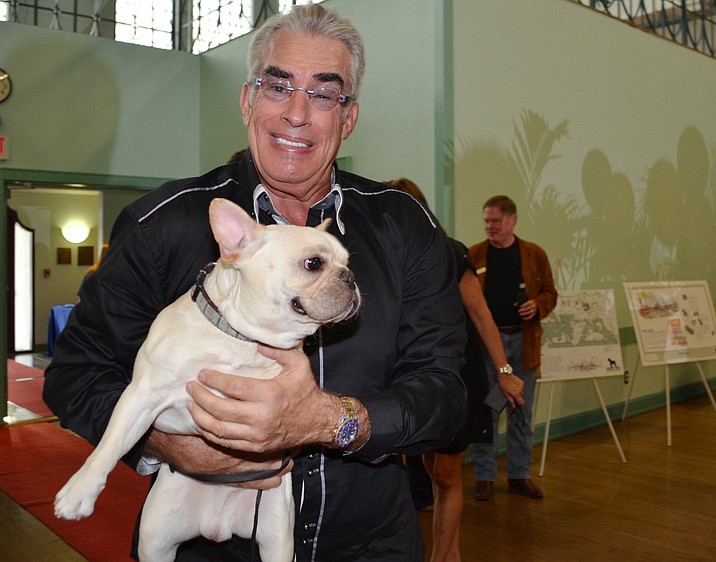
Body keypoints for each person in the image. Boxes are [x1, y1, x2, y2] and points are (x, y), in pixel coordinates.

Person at [43, 6, 467, 562]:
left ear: (349, 118)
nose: (296, 114)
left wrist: (330, 419)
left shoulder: (405, 226)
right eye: (278, 86)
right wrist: (170, 442)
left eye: (324, 94)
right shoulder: (164, 224)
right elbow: (75, 373)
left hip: (371, 544)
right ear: (247, 100)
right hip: (205, 546)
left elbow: (446, 396)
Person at [386, 178, 524, 562]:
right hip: (412, 379)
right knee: (431, 472)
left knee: (446, 476)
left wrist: (504, 370)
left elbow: (481, 315)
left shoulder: (450, 252)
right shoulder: (387, 257)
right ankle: (453, 555)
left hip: (455, 378)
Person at [470, 195, 557, 501]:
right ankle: (485, 477)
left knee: (521, 411)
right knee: (488, 412)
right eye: (486, 221)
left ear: (512, 219)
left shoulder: (534, 254)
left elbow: (550, 293)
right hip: (486, 348)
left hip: (523, 344)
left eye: (495, 221)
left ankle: (519, 475)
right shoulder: (474, 255)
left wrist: (538, 305)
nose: (490, 226)